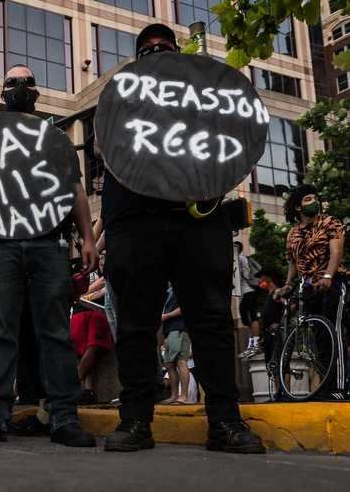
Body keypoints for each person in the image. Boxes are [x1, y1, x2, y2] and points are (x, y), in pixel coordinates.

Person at [101, 24, 264, 453]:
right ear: (136, 61)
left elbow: (234, 142)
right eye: (147, 50)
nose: (156, 53)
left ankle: (225, 421)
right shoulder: (120, 106)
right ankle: (136, 421)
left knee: (211, 321)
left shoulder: (200, 106)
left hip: (199, 221)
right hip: (137, 225)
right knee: (136, 324)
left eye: (165, 48)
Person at [0, 64, 99, 447]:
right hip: (0, 242)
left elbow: (74, 189)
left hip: (48, 242)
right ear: (3, 93)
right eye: (13, 82)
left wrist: (87, 236)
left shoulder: (55, 139)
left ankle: (64, 417)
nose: (20, 88)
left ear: (36, 93)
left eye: (27, 82)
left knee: (54, 330)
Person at [276, 184, 347, 399]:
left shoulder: (330, 223)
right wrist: (288, 283)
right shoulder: (293, 233)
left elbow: (336, 252)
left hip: (332, 284)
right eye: (308, 199)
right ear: (298, 207)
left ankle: (339, 388)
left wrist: (327, 275)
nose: (314, 201)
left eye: (315, 198)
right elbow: (292, 261)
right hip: (308, 288)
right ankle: (325, 386)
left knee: (334, 334)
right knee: (319, 339)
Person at [160, 285, 192, 405]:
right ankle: (174, 395)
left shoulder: (182, 287)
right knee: (169, 363)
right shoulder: (169, 289)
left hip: (179, 328)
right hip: (170, 329)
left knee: (180, 361)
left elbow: (185, 307)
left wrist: (166, 316)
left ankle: (184, 395)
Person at [235, 241, 261, 359]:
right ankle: (252, 345)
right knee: (247, 321)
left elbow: (246, 275)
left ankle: (255, 345)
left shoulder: (241, 259)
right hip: (243, 294)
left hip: (249, 291)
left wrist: (239, 269)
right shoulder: (235, 260)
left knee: (253, 317)